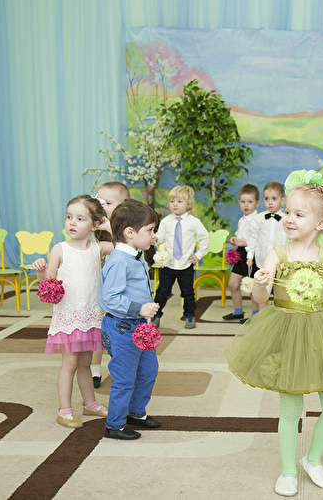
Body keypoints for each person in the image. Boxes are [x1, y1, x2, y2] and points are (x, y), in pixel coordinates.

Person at [225, 171, 323, 497]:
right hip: (286, 332)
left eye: (299, 214)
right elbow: (260, 298)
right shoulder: (277, 254)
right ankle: (287, 471)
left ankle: (313, 459)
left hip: (322, 332)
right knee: (291, 408)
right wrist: (260, 283)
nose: (289, 219)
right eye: (288, 212)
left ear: (321, 223)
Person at [33, 195, 113, 428]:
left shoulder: (99, 248)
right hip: (69, 318)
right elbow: (47, 285)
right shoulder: (60, 249)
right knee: (69, 363)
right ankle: (65, 411)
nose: (72, 223)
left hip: (91, 316)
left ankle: (90, 403)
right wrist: (41, 272)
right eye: (69, 217)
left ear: (94, 224)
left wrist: (107, 226)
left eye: (80, 218)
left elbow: (125, 245)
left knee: (86, 363)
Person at [98, 199, 161, 440]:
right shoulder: (118, 261)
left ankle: (135, 412)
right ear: (130, 233)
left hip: (140, 325)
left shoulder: (135, 254)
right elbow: (110, 298)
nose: (153, 236)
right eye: (150, 230)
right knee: (124, 377)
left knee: (148, 370)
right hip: (122, 327)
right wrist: (140, 308)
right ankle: (114, 425)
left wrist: (142, 312)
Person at [90, 181, 132, 388]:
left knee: (119, 331)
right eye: (99, 201)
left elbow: (128, 250)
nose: (102, 206)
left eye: (108, 203)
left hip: (122, 289)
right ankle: (94, 369)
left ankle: (124, 367)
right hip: (98, 286)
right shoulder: (93, 226)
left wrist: (110, 229)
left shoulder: (128, 229)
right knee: (96, 326)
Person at [153, 186, 210, 330]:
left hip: (186, 265)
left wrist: (198, 254)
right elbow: (161, 238)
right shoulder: (166, 221)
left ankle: (190, 315)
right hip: (168, 265)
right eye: (172, 201)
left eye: (179, 201)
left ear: (188, 203)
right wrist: (154, 238)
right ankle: (155, 315)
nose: (175, 204)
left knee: (188, 293)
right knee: (162, 292)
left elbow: (205, 237)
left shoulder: (193, 222)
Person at [245, 181, 287, 312]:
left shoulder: (286, 219)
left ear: (282, 200)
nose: (270, 202)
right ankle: (259, 316)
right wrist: (250, 256)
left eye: (274, 199)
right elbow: (253, 238)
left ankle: (279, 316)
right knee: (261, 289)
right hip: (262, 261)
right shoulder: (258, 219)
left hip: (281, 263)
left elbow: (290, 239)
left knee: (280, 292)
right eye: (267, 199)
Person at [223, 184, 260, 322]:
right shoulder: (242, 219)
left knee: (252, 286)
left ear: (257, 203)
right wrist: (235, 240)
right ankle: (238, 311)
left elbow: (258, 240)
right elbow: (242, 237)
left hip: (252, 255)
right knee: (233, 284)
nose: (246, 205)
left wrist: (243, 242)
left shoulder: (258, 220)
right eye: (243, 202)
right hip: (241, 254)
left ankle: (255, 314)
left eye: (250, 202)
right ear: (239, 202)